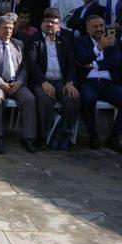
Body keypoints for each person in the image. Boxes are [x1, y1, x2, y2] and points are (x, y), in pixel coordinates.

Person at [24, 8, 80, 149]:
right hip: (41, 81)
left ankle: (65, 135)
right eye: (47, 22)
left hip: (62, 82)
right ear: (42, 24)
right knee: (45, 99)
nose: (50, 25)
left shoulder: (64, 41)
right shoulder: (34, 40)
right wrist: (43, 82)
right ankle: (42, 137)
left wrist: (70, 82)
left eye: (54, 23)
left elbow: (71, 65)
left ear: (59, 26)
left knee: (73, 98)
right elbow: (32, 64)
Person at [0, 15, 37, 154]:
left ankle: (28, 137)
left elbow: (25, 67)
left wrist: (20, 82)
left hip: (16, 83)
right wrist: (0, 83)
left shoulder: (18, 44)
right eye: (5, 28)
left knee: (30, 99)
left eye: (11, 28)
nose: (8, 31)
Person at [73, 15, 122, 151]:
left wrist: (93, 64)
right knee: (88, 100)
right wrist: (98, 47)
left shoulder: (112, 41)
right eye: (95, 26)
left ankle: (113, 137)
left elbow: (116, 61)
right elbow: (81, 58)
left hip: (108, 83)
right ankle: (92, 135)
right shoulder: (80, 42)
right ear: (88, 29)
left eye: (101, 25)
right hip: (88, 82)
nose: (99, 29)